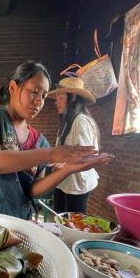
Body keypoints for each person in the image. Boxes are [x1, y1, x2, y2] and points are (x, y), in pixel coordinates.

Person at [0, 60, 113, 219]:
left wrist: (67, 170)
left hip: (15, 222)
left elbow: (32, 190)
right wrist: (52, 154)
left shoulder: (40, 142)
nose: (39, 101)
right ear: (13, 88)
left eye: (43, 96)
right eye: (34, 91)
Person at [47, 76, 101, 214]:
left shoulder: (81, 121)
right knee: (60, 218)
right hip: (64, 180)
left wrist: (61, 164)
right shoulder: (66, 123)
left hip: (77, 183)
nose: (56, 102)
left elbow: (86, 156)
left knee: (73, 223)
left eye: (60, 98)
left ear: (72, 98)